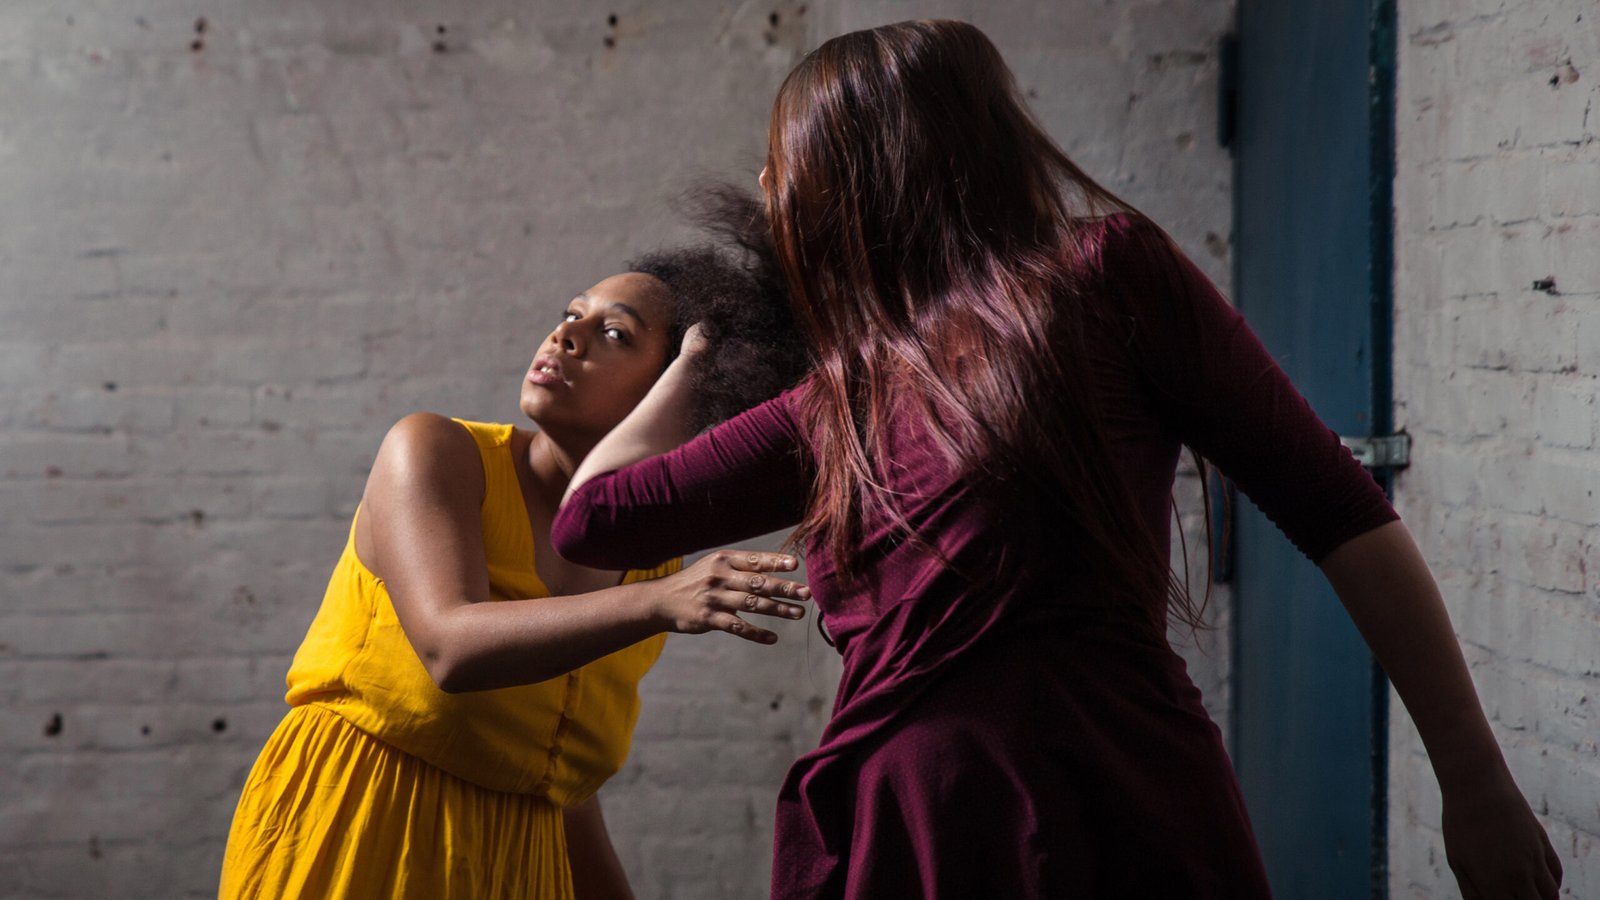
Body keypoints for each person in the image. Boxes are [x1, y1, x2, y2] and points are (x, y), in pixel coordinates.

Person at [551, 19, 1563, 900]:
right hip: (916, 824)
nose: (768, 189)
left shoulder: (1104, 278)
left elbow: (1342, 517)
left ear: (856, 171)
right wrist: (701, 350)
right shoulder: (838, 400)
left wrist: (1473, 786)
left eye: (784, 163)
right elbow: (593, 520)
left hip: (1107, 807)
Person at [218, 246, 811, 900]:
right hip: (359, 827)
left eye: (614, 334)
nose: (566, 336)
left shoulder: (649, 561)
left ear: (672, 394)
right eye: (571, 314)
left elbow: (558, 784)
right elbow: (450, 647)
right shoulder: (436, 452)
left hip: (517, 865)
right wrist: (659, 602)